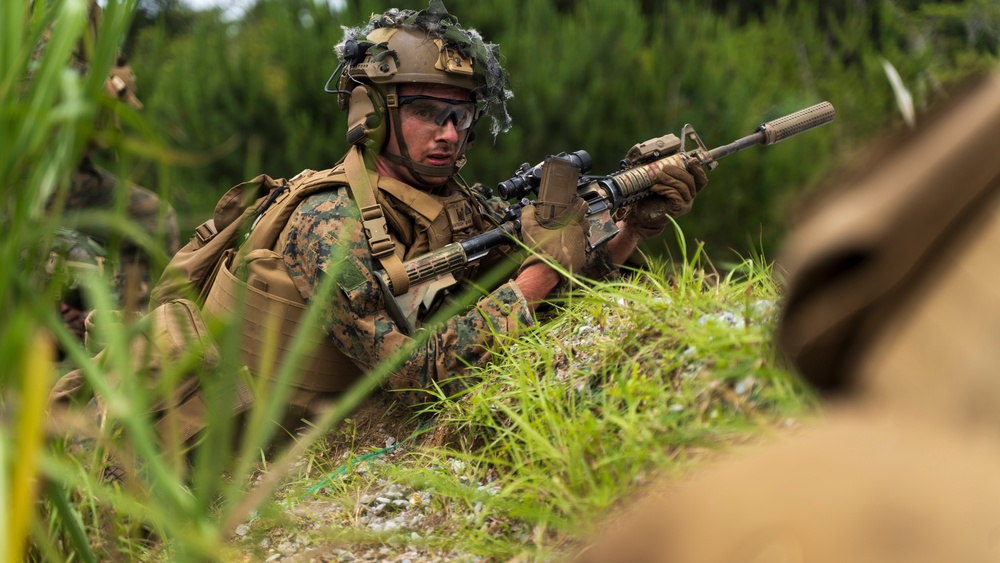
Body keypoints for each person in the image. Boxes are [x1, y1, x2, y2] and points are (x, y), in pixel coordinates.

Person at [186, 1, 707, 425]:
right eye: (426, 112)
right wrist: (540, 272)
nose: (450, 133)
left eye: (462, 114)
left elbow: (537, 313)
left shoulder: (457, 204)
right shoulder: (328, 222)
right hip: (261, 458)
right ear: (372, 114)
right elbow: (411, 378)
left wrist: (627, 232)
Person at [38, 1, 181, 329]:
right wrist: (93, 79)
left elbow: (116, 70)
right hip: (27, 177)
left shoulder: (87, 13)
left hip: (74, 171)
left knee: (152, 218)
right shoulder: (33, 12)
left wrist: (111, 80)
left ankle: (130, 331)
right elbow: (37, 68)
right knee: (68, 259)